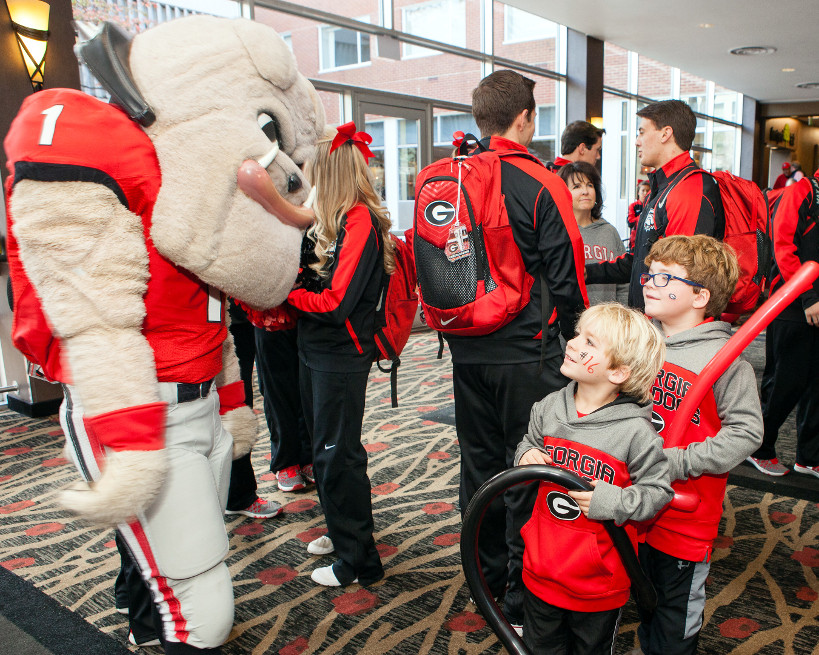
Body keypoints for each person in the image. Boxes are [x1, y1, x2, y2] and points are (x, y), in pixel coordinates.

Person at [444, 70, 588, 630]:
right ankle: (523, 600)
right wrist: (576, 338)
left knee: (478, 468)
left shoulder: (453, 175)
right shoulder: (539, 180)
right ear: (526, 117)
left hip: (464, 348)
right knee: (527, 470)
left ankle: (483, 582)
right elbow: (566, 273)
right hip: (527, 353)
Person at [514, 302, 672, 654]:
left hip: (597, 584)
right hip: (541, 570)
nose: (572, 343)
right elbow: (528, 444)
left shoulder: (635, 433)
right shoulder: (548, 407)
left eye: (589, 343)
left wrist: (613, 501)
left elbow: (658, 492)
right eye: (576, 335)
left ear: (617, 372)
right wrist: (525, 454)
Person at [637, 235, 763, 655]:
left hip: (682, 517)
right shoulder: (640, 342)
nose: (648, 282)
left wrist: (677, 461)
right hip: (628, 502)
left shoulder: (727, 361)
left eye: (664, 277)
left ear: (700, 296)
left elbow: (746, 433)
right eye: (649, 274)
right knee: (637, 601)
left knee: (674, 618)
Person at [286, 123, 392, 587]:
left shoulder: (360, 220)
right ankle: (342, 532)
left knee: (337, 454)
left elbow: (336, 301)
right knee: (325, 448)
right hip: (317, 349)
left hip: (341, 354)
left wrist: (287, 294)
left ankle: (358, 562)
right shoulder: (339, 219)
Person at [585, 100, 725, 311]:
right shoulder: (663, 187)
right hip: (654, 324)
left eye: (641, 132)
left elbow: (684, 275)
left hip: (669, 329)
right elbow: (641, 262)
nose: (637, 141)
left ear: (665, 134)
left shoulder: (689, 188)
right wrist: (587, 272)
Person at [748, 169, 819, 477]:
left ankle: (809, 457)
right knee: (784, 385)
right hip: (793, 305)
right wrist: (809, 297)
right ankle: (758, 448)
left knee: (816, 385)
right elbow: (783, 248)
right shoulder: (801, 191)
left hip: (813, 304)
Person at [558, 162, 628, 306]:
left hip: (607, 322)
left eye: (590, 185)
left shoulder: (609, 231)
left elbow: (624, 284)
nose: (585, 191)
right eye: (577, 186)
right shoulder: (557, 233)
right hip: (568, 322)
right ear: (563, 192)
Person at [627, 180, 651, 252]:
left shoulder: (652, 206)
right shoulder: (633, 206)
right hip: (635, 242)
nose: (645, 193)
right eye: (643, 190)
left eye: (647, 190)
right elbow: (630, 222)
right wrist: (642, 216)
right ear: (638, 192)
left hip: (648, 241)